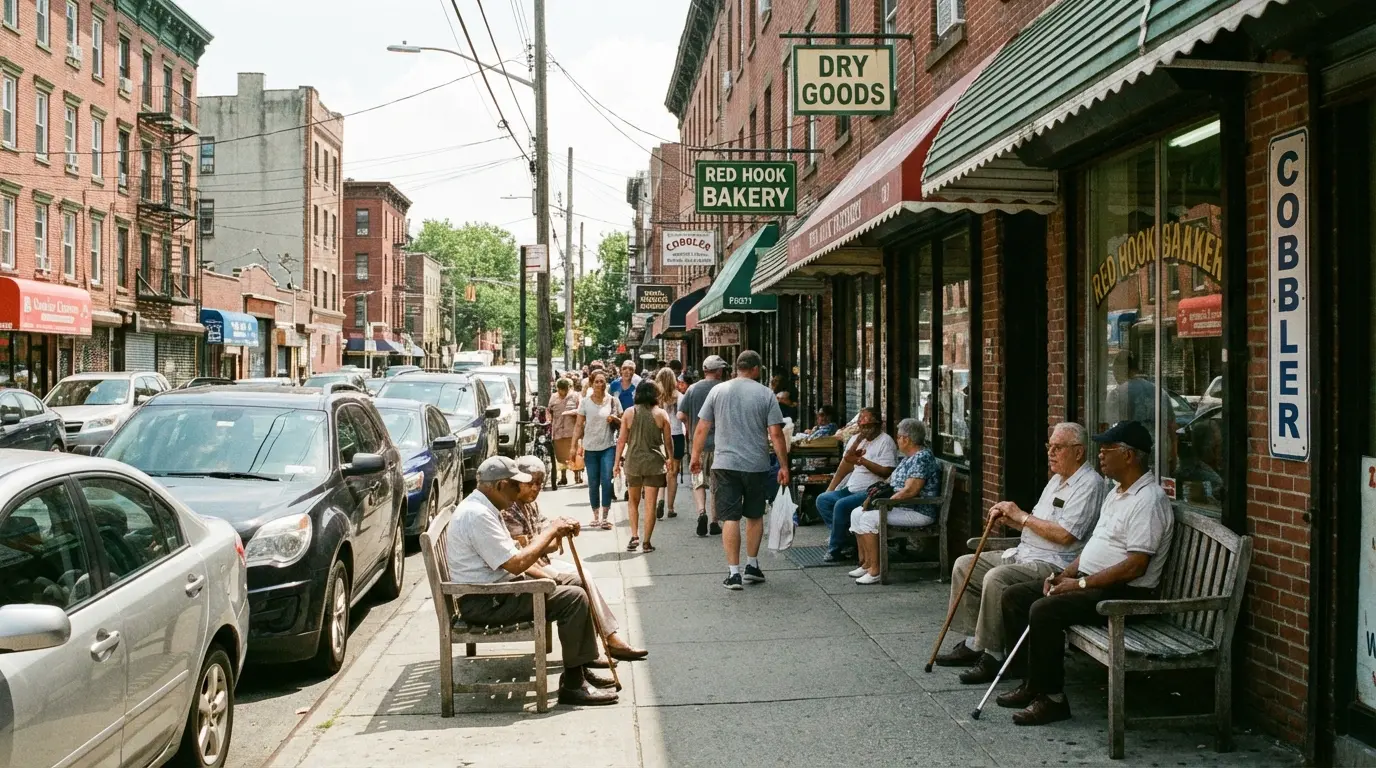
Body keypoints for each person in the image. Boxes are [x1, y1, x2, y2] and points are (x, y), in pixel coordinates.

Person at [996, 421, 1174, 726]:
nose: (1100, 455)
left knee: (1044, 610)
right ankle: (1032, 684)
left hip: (1124, 593)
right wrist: (1063, 574)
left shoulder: (1149, 500)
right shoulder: (1117, 493)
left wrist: (1078, 583)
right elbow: (1094, 547)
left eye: (1107, 450)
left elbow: (1135, 566)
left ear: (1130, 456)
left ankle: (1053, 700)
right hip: (1093, 582)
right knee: (1015, 595)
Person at [933, 423, 1105, 683]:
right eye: (1050, 446)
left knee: (996, 578)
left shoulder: (1090, 484)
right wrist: (1010, 520)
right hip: (1025, 552)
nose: (1051, 453)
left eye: (1058, 448)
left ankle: (993, 655)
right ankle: (974, 642)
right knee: (964, 565)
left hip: (1054, 564)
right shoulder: (1057, 481)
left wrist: (1021, 517)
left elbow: (1065, 535)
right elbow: (1038, 523)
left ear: (1078, 452)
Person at [445, 456, 617, 706]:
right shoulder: (478, 515)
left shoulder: (486, 508)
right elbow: (516, 564)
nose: (518, 493)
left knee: (576, 583)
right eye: (516, 486)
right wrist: (551, 531)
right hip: (484, 601)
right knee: (574, 599)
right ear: (501, 485)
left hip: (495, 591)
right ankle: (572, 685)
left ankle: (579, 668)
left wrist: (557, 576)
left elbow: (513, 557)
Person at [503, 456, 647, 662]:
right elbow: (530, 550)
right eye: (530, 483)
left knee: (583, 577)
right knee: (580, 582)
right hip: (529, 570)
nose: (535, 489)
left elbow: (547, 541)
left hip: (540, 562)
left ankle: (604, 642)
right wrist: (551, 536)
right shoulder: (509, 509)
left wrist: (557, 532)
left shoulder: (530, 504)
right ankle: (604, 643)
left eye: (539, 484)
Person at [691, 350, 789, 590]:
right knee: (754, 515)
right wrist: (784, 465)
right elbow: (775, 433)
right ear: (756, 369)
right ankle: (752, 566)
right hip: (756, 464)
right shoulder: (766, 394)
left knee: (730, 518)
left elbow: (702, 427)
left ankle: (733, 573)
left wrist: (695, 456)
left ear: (737, 367)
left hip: (725, 464)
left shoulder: (718, 391)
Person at [845, 418, 942, 584]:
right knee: (856, 513)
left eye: (898, 437)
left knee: (869, 518)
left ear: (906, 439)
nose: (897, 440)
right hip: (903, 508)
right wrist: (875, 495)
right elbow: (891, 481)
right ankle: (867, 563)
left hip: (918, 511)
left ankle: (876, 570)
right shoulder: (908, 458)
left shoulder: (921, 458)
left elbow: (911, 490)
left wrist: (885, 503)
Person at [816, 408, 900, 563]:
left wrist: (864, 462)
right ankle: (849, 539)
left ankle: (835, 549)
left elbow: (887, 472)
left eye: (869, 426)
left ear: (878, 425)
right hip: (851, 488)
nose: (865, 430)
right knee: (823, 500)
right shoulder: (858, 439)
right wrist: (857, 439)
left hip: (870, 491)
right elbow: (847, 460)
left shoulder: (885, 441)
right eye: (862, 426)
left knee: (841, 506)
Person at [614, 381, 675, 553]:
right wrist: (670, 458)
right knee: (650, 505)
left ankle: (634, 536)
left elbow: (621, 441)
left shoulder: (629, 413)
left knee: (633, 502)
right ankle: (647, 542)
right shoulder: (661, 414)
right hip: (654, 464)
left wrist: (616, 463)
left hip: (633, 462)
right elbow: (668, 442)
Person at [679, 354, 727, 537]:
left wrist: (690, 428)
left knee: (698, 481)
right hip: (719, 443)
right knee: (716, 483)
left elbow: (681, 415)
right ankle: (715, 520)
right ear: (719, 371)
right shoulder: (724, 388)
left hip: (697, 444)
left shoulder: (692, 389)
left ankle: (701, 512)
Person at [574, 371, 622, 530]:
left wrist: (614, 419)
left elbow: (624, 422)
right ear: (591, 384)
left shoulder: (613, 401)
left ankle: (605, 516)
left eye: (603, 382)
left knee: (606, 481)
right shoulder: (585, 402)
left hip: (608, 446)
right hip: (590, 447)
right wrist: (574, 446)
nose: (600, 385)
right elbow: (578, 425)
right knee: (593, 483)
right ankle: (595, 515)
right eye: (597, 382)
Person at [655, 367, 685, 520]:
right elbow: (683, 417)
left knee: (662, 470)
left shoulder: (656, 398)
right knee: (673, 472)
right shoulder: (679, 397)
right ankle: (670, 507)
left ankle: (660, 499)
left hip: (660, 436)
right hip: (677, 436)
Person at [549, 378, 582, 486]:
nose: (562, 392)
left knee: (574, 454)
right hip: (558, 430)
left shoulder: (575, 396)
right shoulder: (553, 397)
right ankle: (563, 477)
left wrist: (572, 412)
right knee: (560, 456)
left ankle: (577, 475)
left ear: (569, 388)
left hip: (571, 430)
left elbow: (581, 410)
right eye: (560, 389)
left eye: (564, 389)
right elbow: (549, 411)